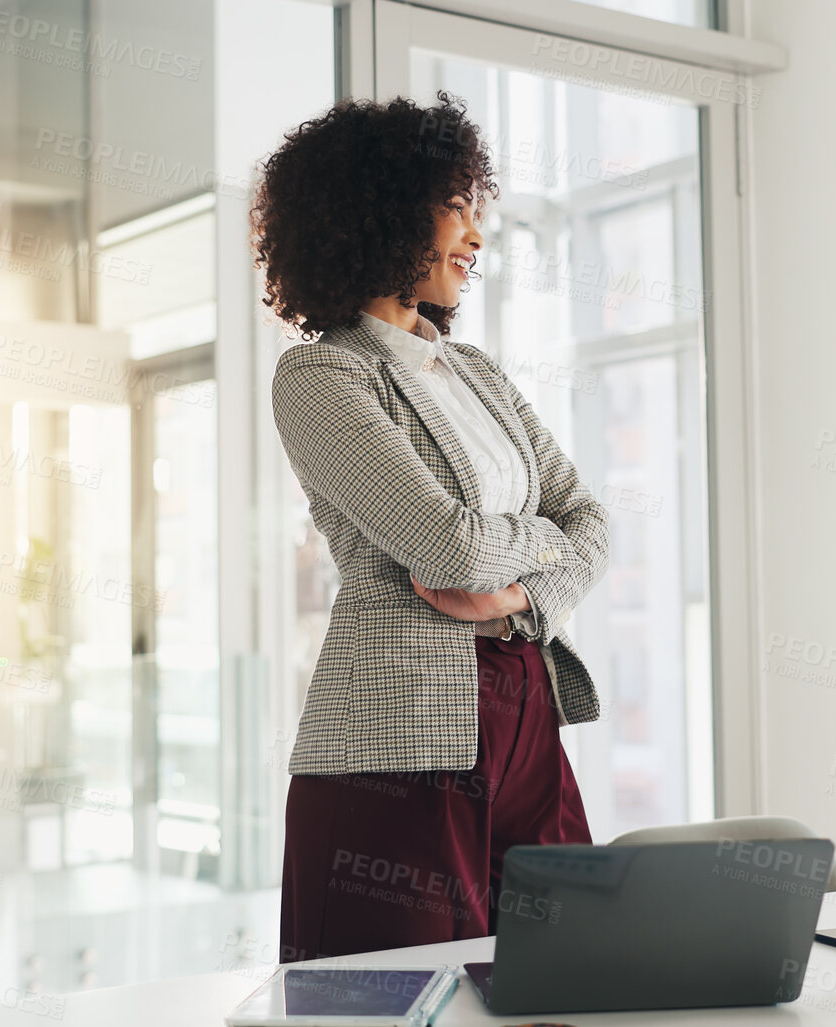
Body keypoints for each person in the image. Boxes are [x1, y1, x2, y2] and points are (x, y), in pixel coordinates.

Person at [252, 91, 611, 962]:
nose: (476, 236)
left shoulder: (477, 372)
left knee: (570, 977)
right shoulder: (323, 376)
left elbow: (591, 517)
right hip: (398, 745)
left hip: (529, 704)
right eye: (455, 210)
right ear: (378, 214)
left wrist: (517, 589)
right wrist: (541, 535)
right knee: (397, 1000)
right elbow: (444, 544)